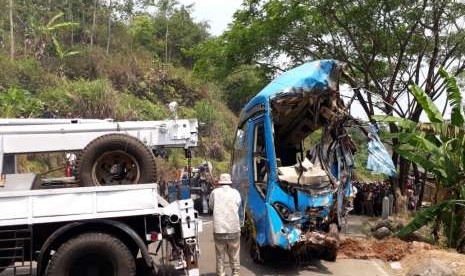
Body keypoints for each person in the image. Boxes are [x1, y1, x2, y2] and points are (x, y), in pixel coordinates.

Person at [209, 173, 241, 276]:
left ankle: (221, 273)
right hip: (234, 228)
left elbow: (211, 206)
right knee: (234, 252)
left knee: (220, 254)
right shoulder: (235, 192)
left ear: (220, 182)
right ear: (229, 182)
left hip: (219, 229)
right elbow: (238, 205)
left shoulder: (214, 192)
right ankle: (235, 272)